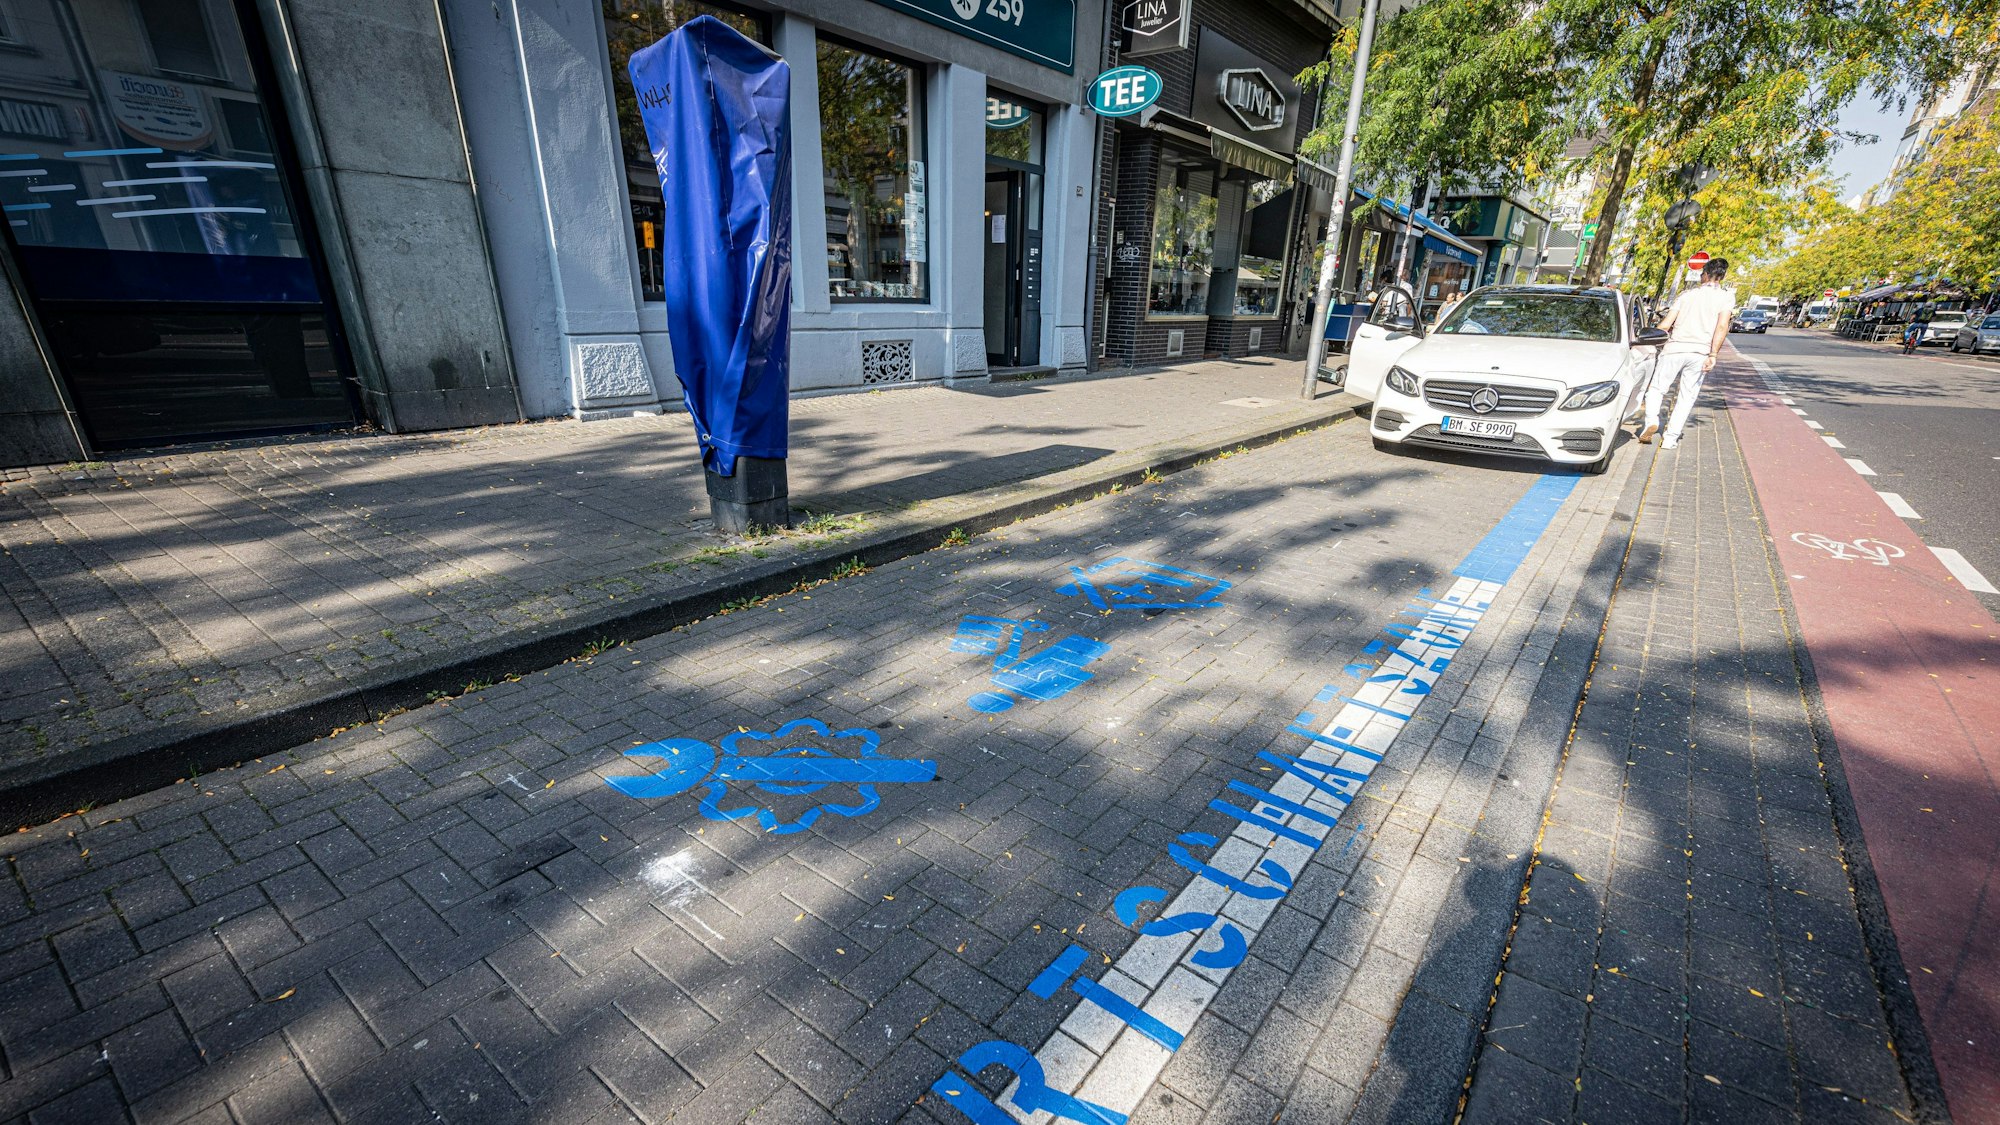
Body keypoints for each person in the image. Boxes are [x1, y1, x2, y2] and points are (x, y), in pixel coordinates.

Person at [1640, 256, 1734, 449]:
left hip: (1674, 348)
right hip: (1699, 352)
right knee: (1686, 396)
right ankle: (1670, 438)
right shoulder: (1726, 298)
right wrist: (1713, 354)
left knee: (1657, 389)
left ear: (1706, 274)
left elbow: (1666, 325)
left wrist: (1648, 337)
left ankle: (1651, 420)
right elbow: (1722, 326)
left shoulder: (1686, 296)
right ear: (1721, 277)